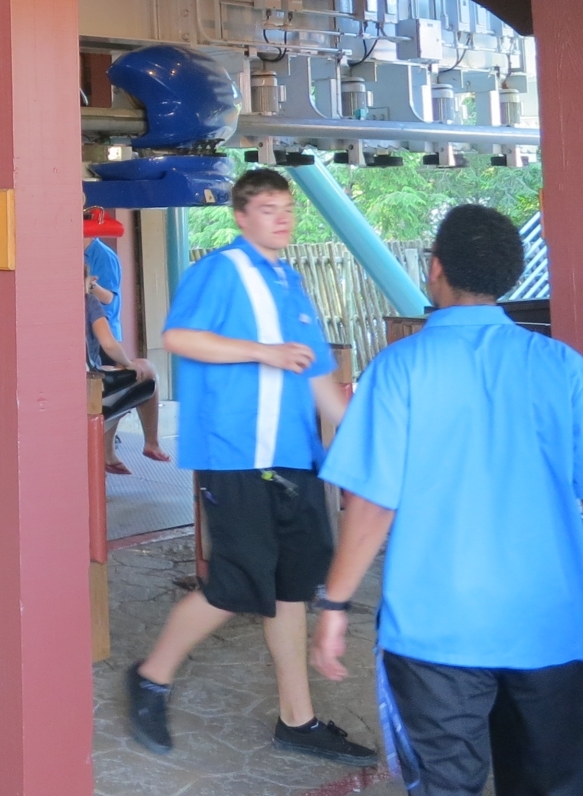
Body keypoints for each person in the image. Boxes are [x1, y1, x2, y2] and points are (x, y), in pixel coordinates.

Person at [312, 205, 583, 795]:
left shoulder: (398, 369)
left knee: (445, 784)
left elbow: (371, 506)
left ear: (435, 268)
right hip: (548, 623)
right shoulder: (564, 368)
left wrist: (335, 605)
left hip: (435, 629)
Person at [125, 167, 371, 766]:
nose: (281, 219)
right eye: (267, 209)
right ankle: (151, 677)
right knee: (236, 586)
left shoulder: (291, 282)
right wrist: (264, 352)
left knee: (289, 589)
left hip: (294, 459)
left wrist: (370, 443)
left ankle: (298, 720)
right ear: (240, 216)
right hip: (236, 455)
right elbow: (179, 338)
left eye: (287, 208)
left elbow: (319, 378)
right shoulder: (221, 270)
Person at [86, 288, 166, 465]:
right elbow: (109, 344)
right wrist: (128, 364)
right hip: (89, 388)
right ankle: (151, 442)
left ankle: (108, 452)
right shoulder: (89, 301)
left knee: (112, 372)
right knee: (147, 371)